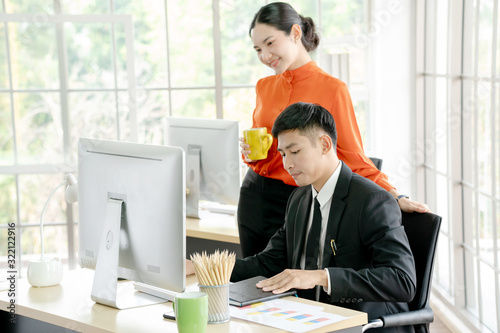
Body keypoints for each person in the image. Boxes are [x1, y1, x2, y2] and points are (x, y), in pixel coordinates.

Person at [238, 2, 429, 258]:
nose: (264, 56)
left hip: (298, 198)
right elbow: (264, 151)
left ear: (295, 33)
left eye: (270, 43)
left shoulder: (332, 89)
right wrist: (249, 153)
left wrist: (395, 195)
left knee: (289, 281)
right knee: (250, 276)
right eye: (258, 49)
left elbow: (353, 156)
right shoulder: (264, 86)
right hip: (253, 194)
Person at [233, 102, 417, 333]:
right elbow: (268, 262)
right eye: (283, 154)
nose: (287, 164)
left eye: (295, 151)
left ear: (324, 144)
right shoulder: (299, 198)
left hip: (363, 325)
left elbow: (402, 281)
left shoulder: (372, 201)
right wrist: (202, 267)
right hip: (311, 319)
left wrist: (321, 277)